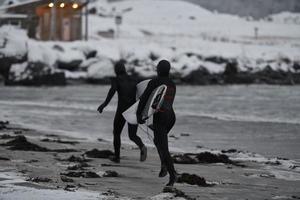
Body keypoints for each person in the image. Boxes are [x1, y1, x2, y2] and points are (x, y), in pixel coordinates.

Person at [136, 60, 177, 187]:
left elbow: (144, 99)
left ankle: (173, 175)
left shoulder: (154, 82)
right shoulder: (172, 84)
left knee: (164, 148)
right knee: (158, 141)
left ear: (158, 69)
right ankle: (164, 164)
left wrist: (139, 115)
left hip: (161, 118)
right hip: (171, 117)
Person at [97, 61, 147, 163]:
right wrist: (143, 110)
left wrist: (104, 105)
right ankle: (142, 146)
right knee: (132, 135)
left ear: (116, 70)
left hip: (122, 110)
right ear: (124, 69)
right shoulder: (134, 79)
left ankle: (117, 157)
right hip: (133, 110)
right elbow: (143, 92)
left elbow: (112, 91)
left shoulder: (117, 80)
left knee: (116, 133)